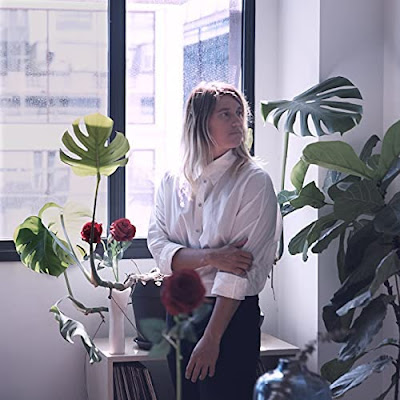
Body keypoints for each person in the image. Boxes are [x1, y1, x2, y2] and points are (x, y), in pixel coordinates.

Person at [147, 81, 281, 400]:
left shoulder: (254, 182)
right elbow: (159, 247)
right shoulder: (171, 180)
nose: (237, 122)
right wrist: (212, 257)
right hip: (179, 314)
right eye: (225, 114)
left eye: (239, 113)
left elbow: (239, 269)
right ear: (200, 121)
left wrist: (211, 338)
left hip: (229, 317)